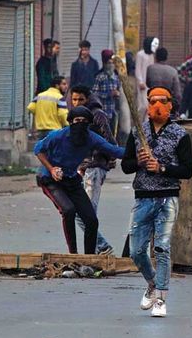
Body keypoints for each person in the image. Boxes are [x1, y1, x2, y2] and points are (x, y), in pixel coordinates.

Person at [121, 87, 192, 318]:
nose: (158, 106)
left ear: (171, 105)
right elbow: (125, 166)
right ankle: (152, 283)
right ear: (147, 104)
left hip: (168, 197)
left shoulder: (180, 135)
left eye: (163, 101)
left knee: (162, 247)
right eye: (153, 101)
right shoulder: (137, 132)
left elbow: (187, 170)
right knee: (136, 251)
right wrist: (139, 163)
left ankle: (161, 298)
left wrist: (162, 168)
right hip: (142, 197)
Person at [35, 106, 125, 255]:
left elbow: (113, 150)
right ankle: (73, 254)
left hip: (71, 180)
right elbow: (38, 149)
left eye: (84, 121)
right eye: (77, 121)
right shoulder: (58, 136)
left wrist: (137, 153)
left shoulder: (91, 138)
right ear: (70, 122)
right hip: (50, 180)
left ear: (89, 123)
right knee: (68, 210)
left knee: (91, 220)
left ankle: (89, 257)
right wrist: (51, 169)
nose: (80, 124)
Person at [69, 87, 118, 255]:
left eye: (80, 100)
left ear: (87, 99)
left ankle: (101, 248)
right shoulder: (76, 117)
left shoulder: (97, 115)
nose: (76, 103)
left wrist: (107, 159)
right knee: (83, 214)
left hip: (95, 167)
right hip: (85, 168)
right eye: (74, 100)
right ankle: (98, 250)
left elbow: (110, 140)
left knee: (85, 214)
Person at [27, 76, 69, 140]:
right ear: (57, 85)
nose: (66, 86)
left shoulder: (40, 95)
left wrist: (41, 114)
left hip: (41, 131)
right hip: (55, 131)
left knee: (42, 149)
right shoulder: (60, 98)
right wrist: (68, 126)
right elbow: (62, 115)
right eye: (64, 84)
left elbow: (30, 108)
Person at [92, 50, 121, 122]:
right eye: (109, 63)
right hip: (102, 111)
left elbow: (118, 92)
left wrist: (117, 94)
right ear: (104, 64)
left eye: (112, 63)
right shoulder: (100, 77)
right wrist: (108, 94)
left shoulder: (116, 78)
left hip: (113, 112)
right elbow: (94, 95)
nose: (111, 65)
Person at [135, 37, 158, 116]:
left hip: (150, 84)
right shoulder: (140, 54)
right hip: (142, 84)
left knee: (149, 106)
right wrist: (140, 82)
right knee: (142, 106)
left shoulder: (151, 55)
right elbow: (138, 69)